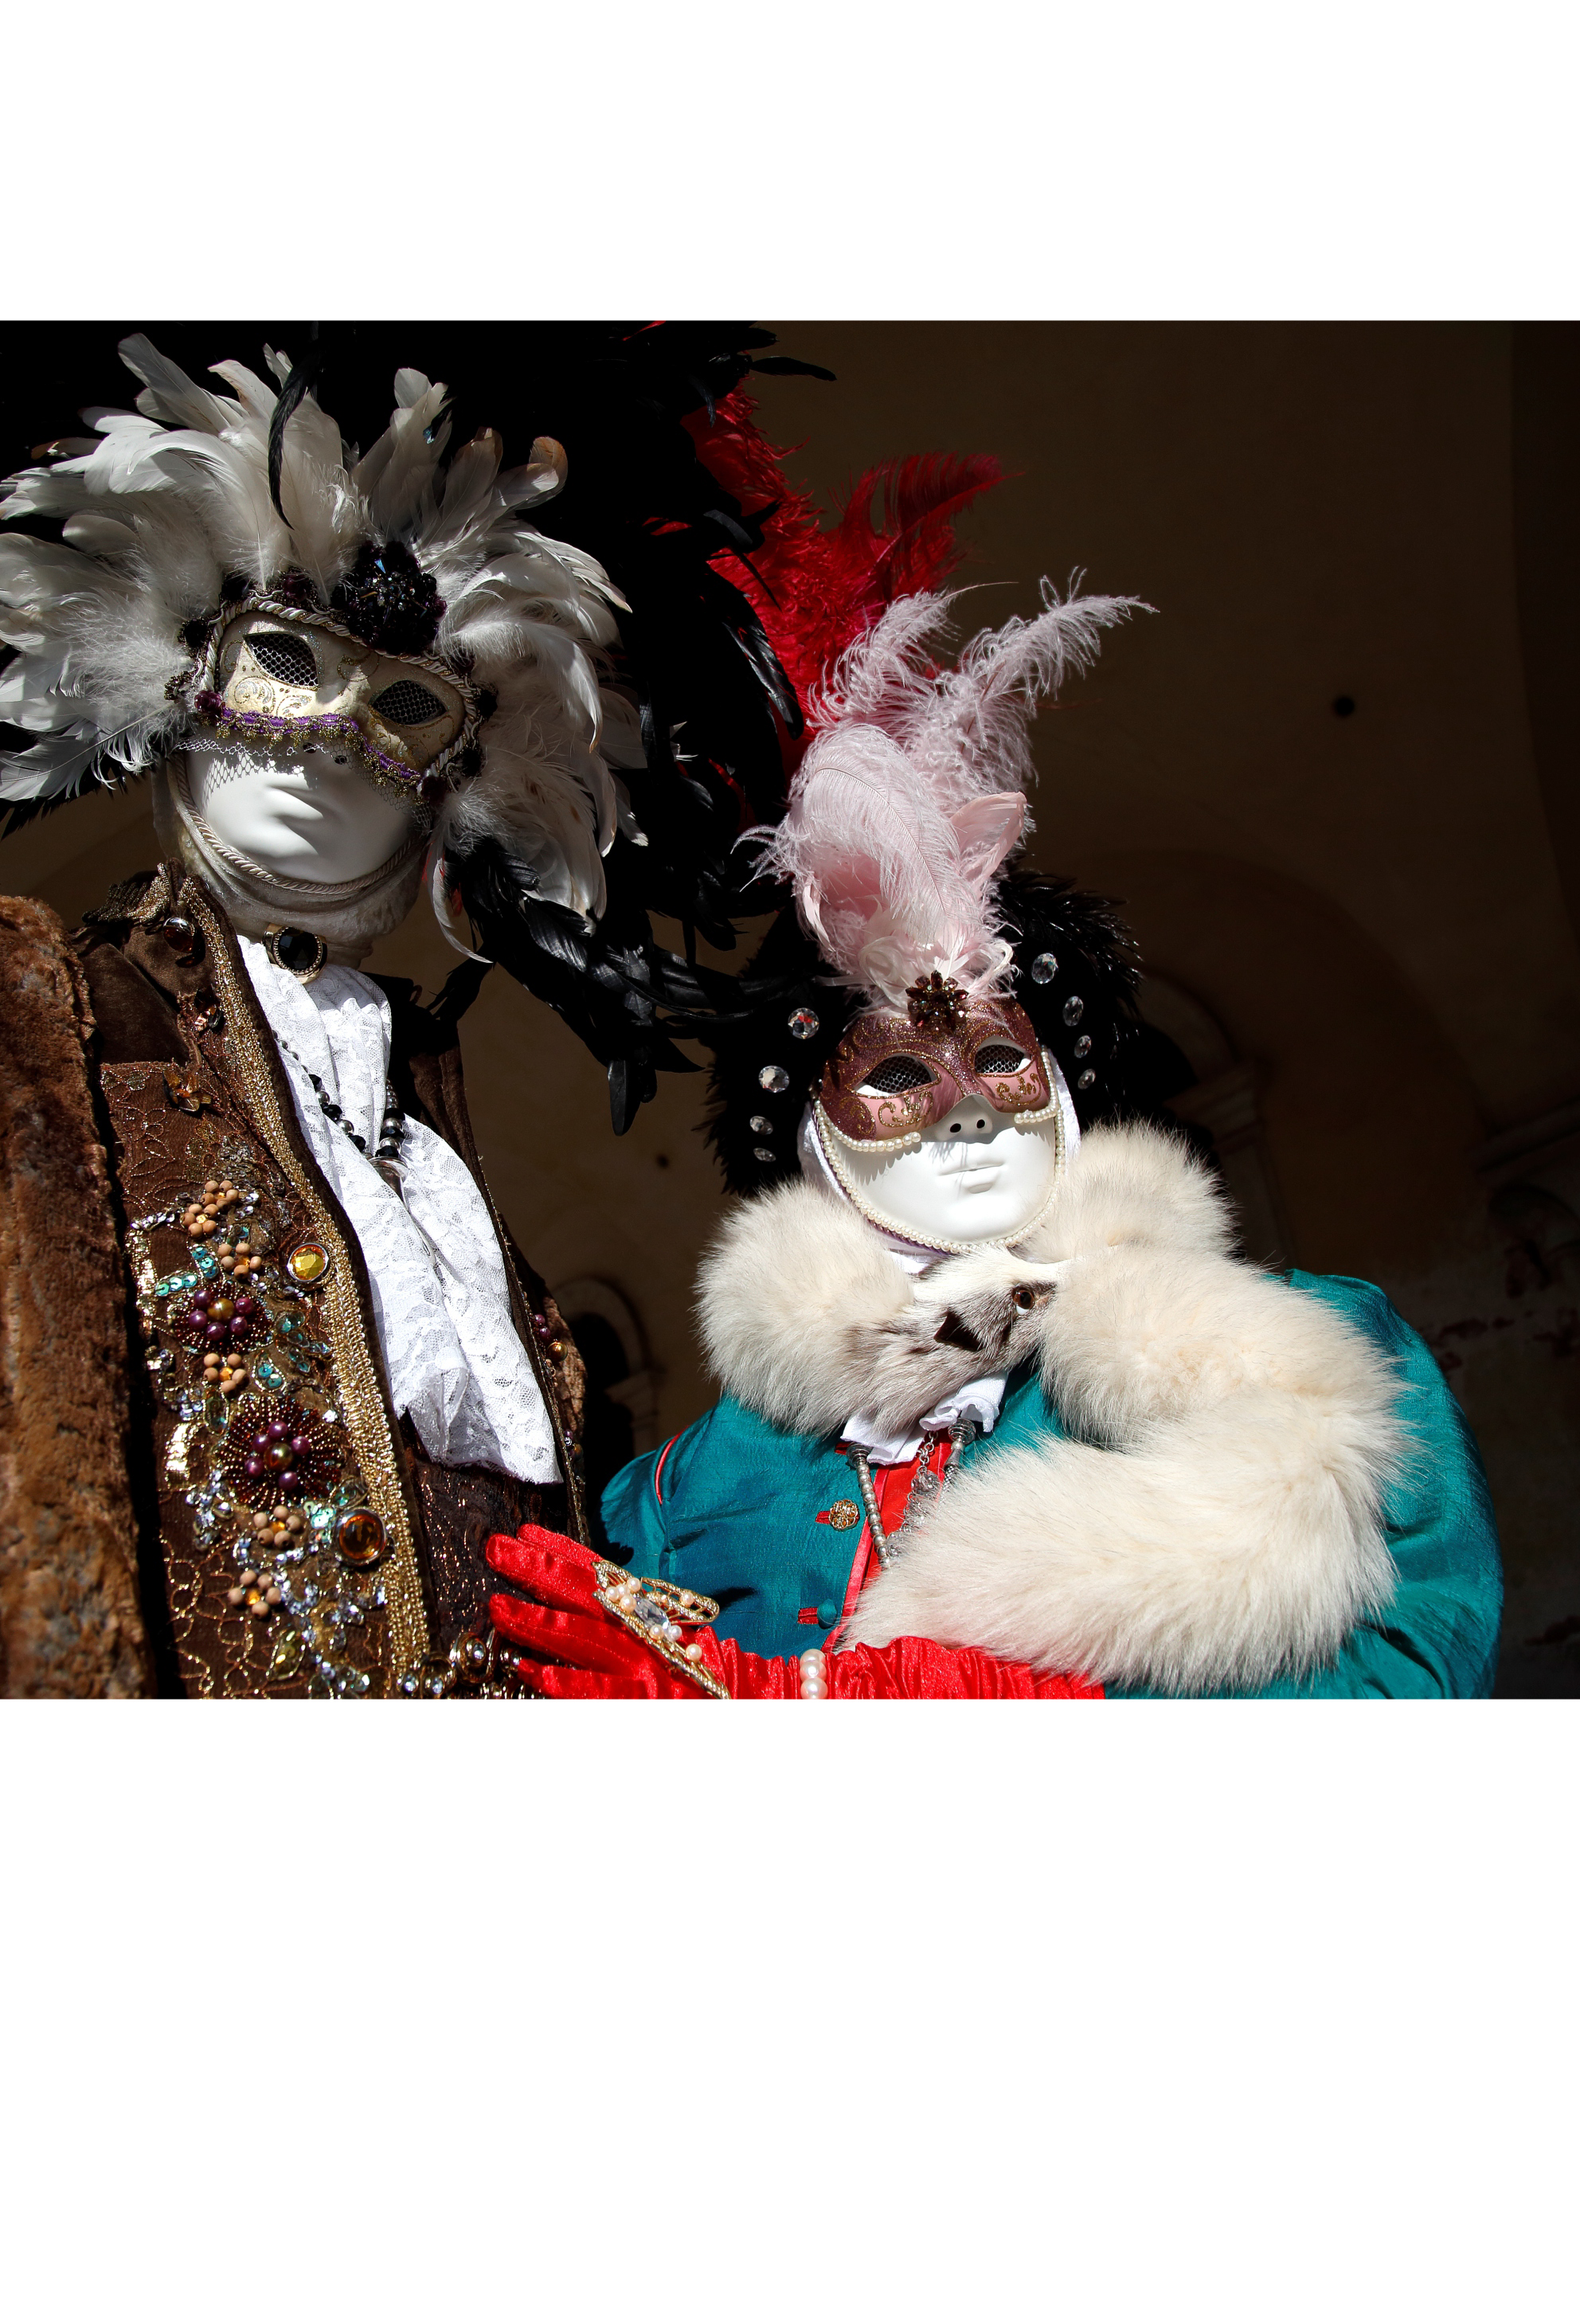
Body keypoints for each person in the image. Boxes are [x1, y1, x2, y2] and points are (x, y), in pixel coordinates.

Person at [0, 323, 823, 1699]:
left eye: (407, 706)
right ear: (175, 668)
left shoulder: (436, 1165)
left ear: (462, 782)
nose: (326, 747)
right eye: (285, 662)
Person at [488, 432, 1505, 1700]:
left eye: (995, 1055)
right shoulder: (683, 1487)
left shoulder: (1323, 1347)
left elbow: (1413, 1683)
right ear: (812, 1135)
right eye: (896, 1076)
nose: (964, 1110)